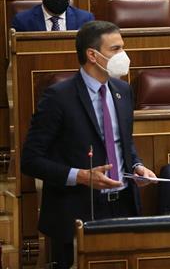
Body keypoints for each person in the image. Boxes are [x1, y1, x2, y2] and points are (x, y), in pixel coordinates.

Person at [21, 20, 156, 268]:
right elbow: (30, 160)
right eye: (115, 49)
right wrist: (80, 176)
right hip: (76, 212)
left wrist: (136, 165)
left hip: (124, 207)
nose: (123, 55)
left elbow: (123, 143)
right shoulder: (58, 97)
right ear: (92, 55)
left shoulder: (123, 90)